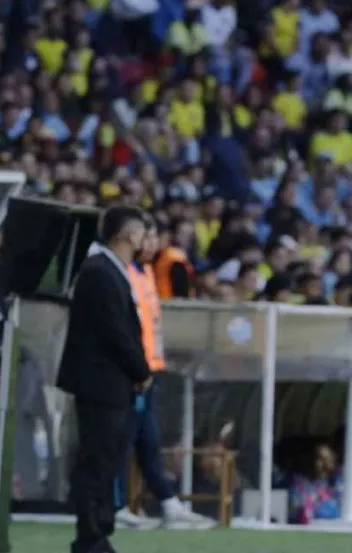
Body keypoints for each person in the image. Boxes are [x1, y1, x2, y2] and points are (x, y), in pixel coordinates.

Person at [56, 206, 153, 553]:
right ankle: (89, 536)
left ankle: (98, 531)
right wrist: (141, 370)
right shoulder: (100, 271)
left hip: (111, 383)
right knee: (96, 461)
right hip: (101, 383)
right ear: (128, 234)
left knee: (107, 458)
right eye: (142, 232)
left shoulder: (112, 270)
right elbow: (114, 331)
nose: (144, 240)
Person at [115, 220, 215, 530]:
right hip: (133, 372)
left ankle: (169, 503)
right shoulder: (126, 273)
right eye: (149, 236)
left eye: (155, 236)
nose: (153, 242)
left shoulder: (145, 274)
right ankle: (117, 505)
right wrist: (137, 368)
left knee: (148, 440)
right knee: (126, 440)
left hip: (149, 370)